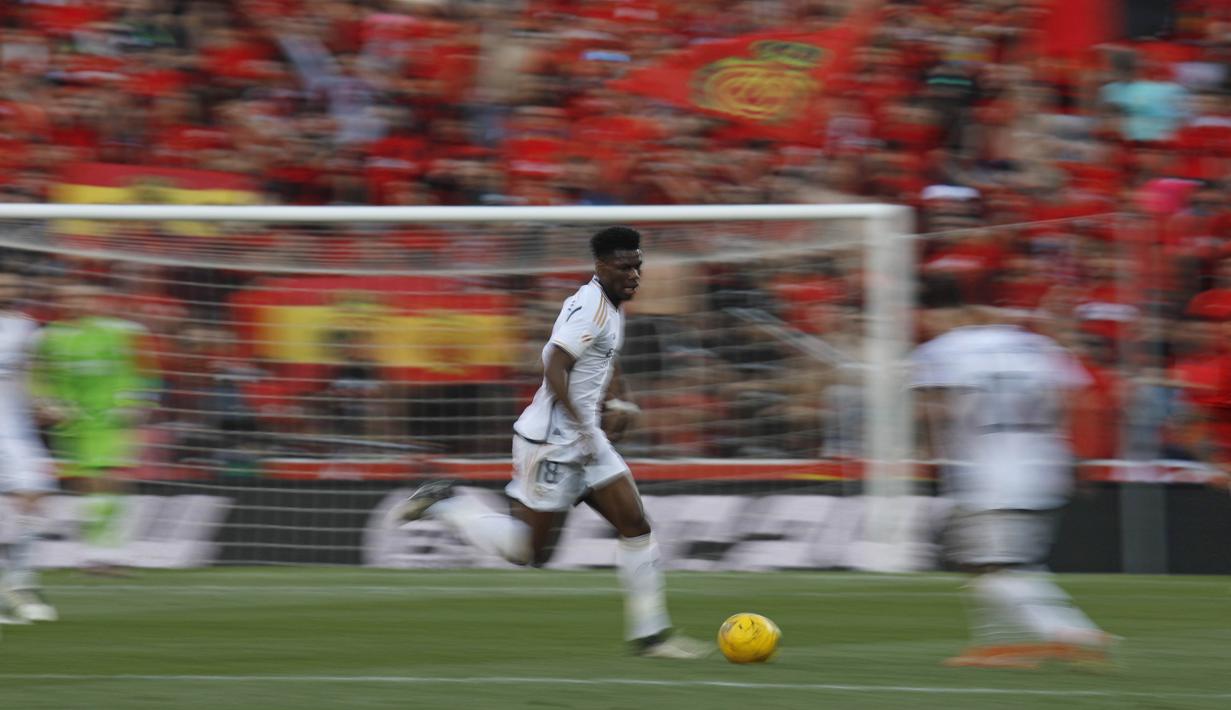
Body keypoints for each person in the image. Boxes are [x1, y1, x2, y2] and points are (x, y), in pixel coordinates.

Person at [391, 226, 710, 659]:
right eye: (624, 267)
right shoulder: (592, 308)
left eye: (638, 266)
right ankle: (448, 502)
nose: (634, 275)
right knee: (528, 554)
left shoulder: (611, 305)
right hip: (551, 443)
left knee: (636, 525)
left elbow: (602, 357)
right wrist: (580, 424)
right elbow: (554, 362)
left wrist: (623, 399)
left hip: (586, 439)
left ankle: (652, 637)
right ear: (601, 267)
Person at [911, 275, 1116, 670]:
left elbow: (935, 410)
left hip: (988, 468)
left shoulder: (942, 350)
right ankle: (1001, 645)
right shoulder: (1038, 346)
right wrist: (1081, 457)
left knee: (992, 566)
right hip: (1043, 461)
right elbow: (1082, 396)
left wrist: (931, 450)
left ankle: (1074, 633)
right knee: (1010, 561)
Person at [33, 284, 155, 575]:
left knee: (112, 478)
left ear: (96, 300)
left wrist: (138, 402)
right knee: (85, 483)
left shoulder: (122, 331)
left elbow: (145, 370)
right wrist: (46, 404)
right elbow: (37, 376)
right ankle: (94, 552)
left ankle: (112, 549)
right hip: (72, 420)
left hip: (113, 418)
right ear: (59, 302)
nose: (76, 302)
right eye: (69, 297)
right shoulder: (47, 337)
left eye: (82, 296)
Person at [0, 272, 58, 623]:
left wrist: (44, 403)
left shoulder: (29, 329)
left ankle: (19, 582)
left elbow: (33, 375)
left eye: (12, 285)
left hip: (15, 430)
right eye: (2, 285)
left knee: (33, 496)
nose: (8, 290)